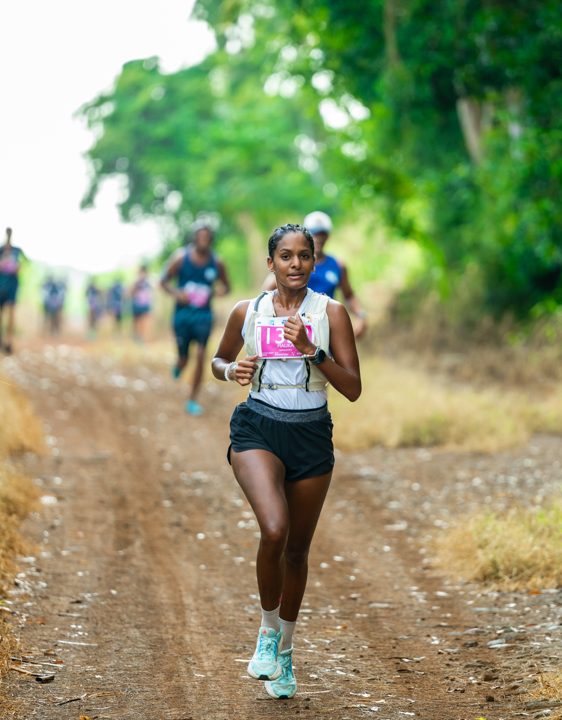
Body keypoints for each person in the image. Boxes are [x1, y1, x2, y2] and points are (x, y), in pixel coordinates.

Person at [211, 223, 361, 700]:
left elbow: (353, 388)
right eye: (285, 256)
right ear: (270, 263)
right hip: (257, 427)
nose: (295, 264)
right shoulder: (247, 311)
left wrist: (312, 351)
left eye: (304, 256)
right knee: (274, 530)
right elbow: (219, 360)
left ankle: (287, 654)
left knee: (296, 551)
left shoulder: (331, 313)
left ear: (315, 262)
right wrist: (231, 370)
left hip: (311, 435)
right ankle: (267, 632)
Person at [161, 224, 231, 416]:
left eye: (207, 237)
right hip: (182, 316)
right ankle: (179, 365)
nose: (203, 241)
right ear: (194, 238)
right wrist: (177, 293)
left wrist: (221, 291)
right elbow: (163, 281)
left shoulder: (217, 262)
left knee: (201, 355)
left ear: (211, 240)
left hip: (204, 316)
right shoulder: (180, 258)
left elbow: (227, 286)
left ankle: (192, 399)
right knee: (184, 358)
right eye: (200, 237)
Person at [261, 211, 367, 339]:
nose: (318, 238)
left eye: (322, 234)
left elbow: (349, 295)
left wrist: (361, 316)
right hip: (296, 326)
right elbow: (267, 293)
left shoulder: (337, 265)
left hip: (326, 326)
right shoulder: (292, 267)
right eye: (314, 234)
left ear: (328, 236)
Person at [0, 227, 25, 353]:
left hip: (12, 281)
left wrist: (19, 267)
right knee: (1, 310)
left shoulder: (17, 250)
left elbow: (24, 262)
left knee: (11, 308)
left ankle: (9, 340)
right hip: (0, 282)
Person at [129, 264, 153, 344]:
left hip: (145, 306)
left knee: (144, 322)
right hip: (136, 305)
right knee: (136, 322)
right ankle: (136, 337)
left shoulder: (148, 282)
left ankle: (141, 338)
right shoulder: (136, 282)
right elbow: (130, 293)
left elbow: (151, 293)